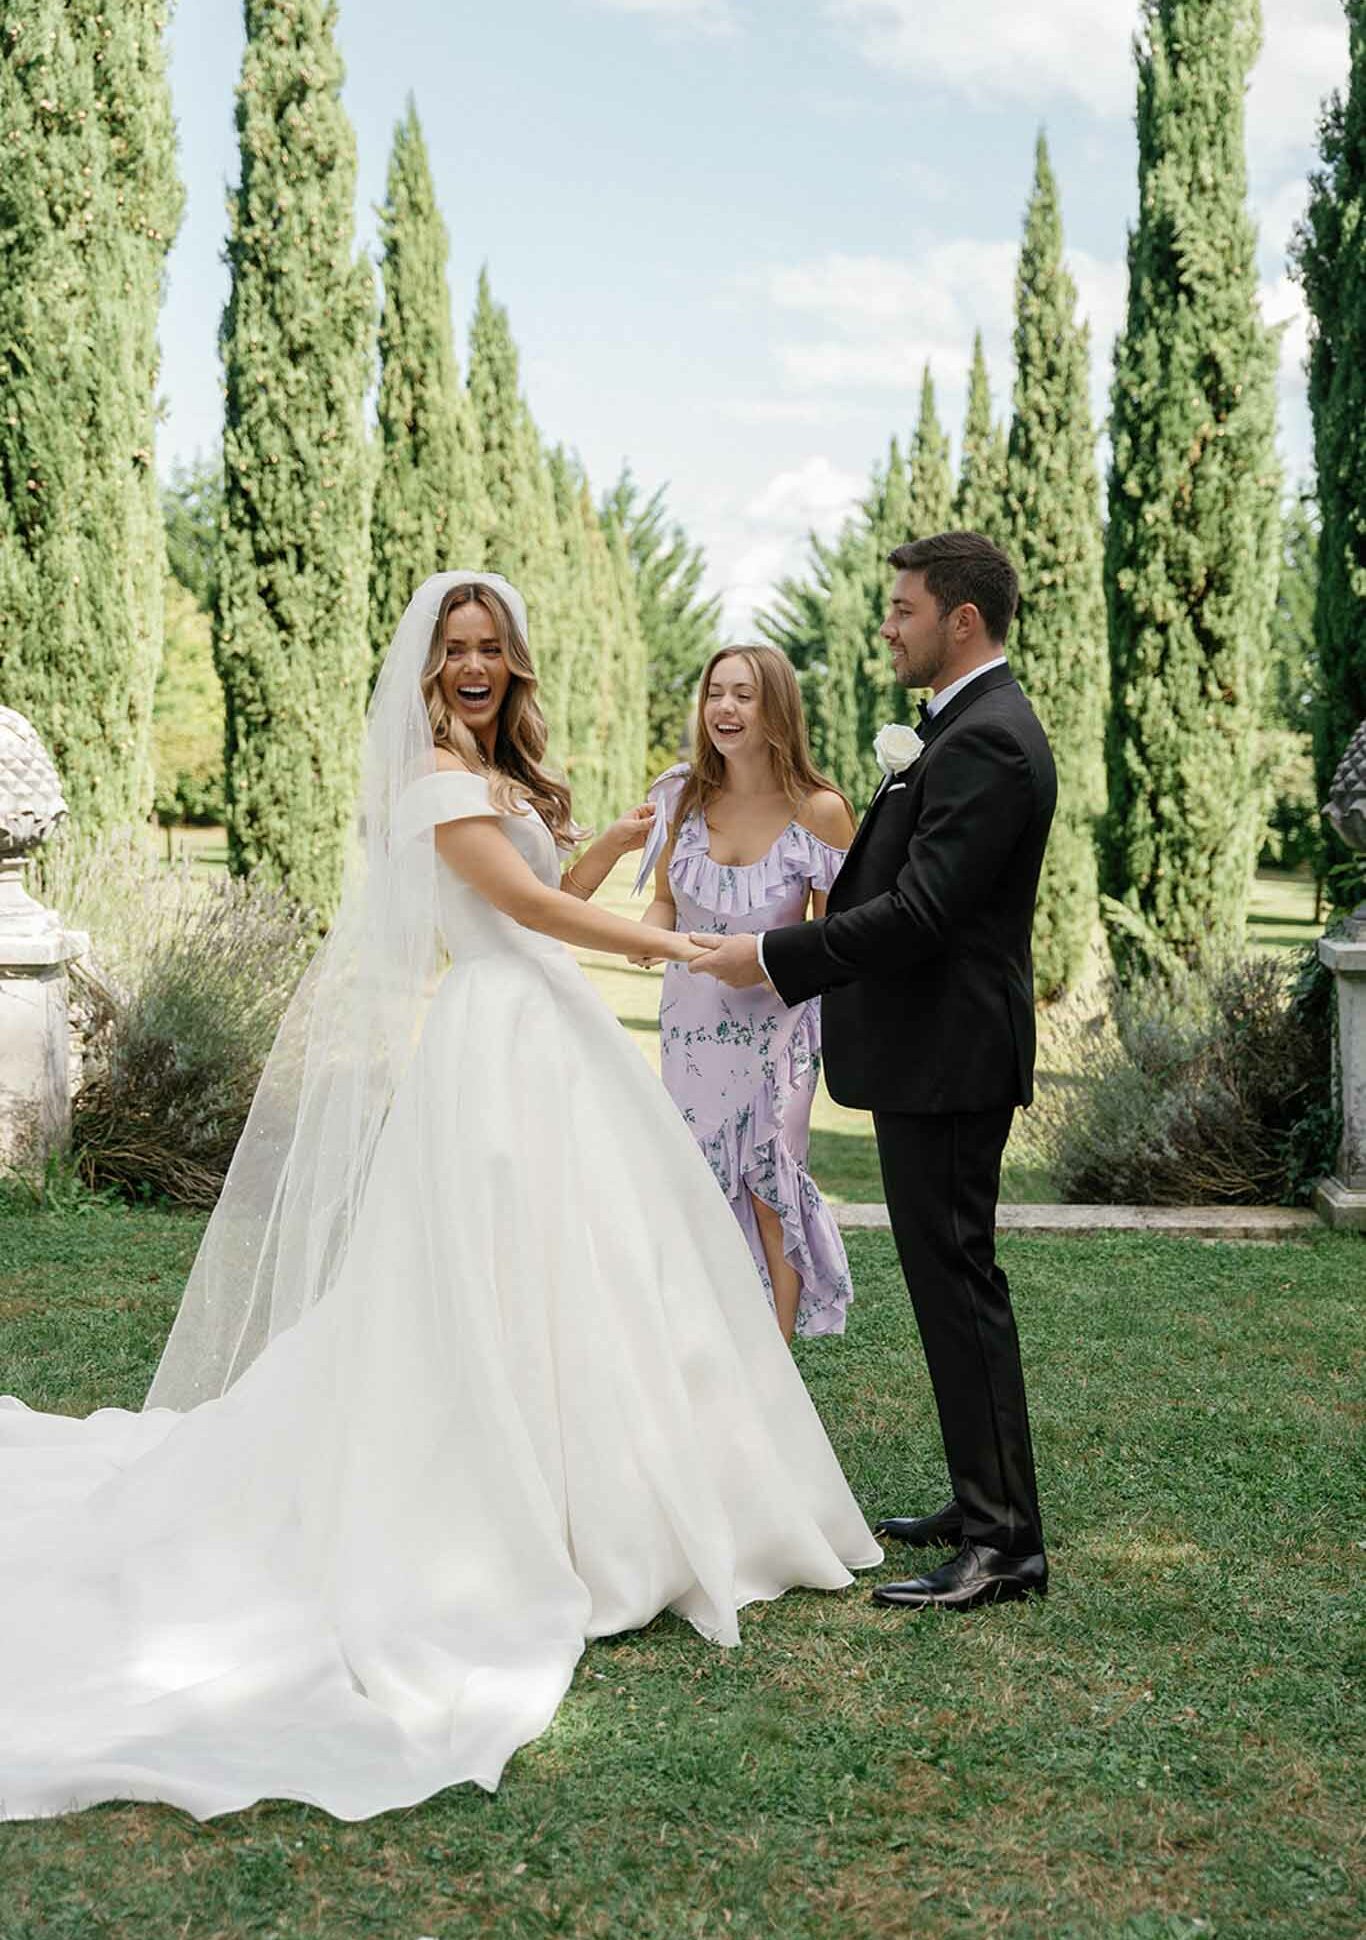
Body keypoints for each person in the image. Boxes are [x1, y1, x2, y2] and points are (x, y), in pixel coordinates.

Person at [0, 572, 880, 1824]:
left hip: (555, 1032)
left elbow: (550, 885)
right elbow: (522, 906)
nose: (473, 665)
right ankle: (509, 1502)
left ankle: (633, 1492)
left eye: (490, 648)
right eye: (455, 649)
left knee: (606, 1265)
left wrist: (622, 856)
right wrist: (680, 946)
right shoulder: (431, 781)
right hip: (494, 1042)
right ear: (428, 670)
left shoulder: (505, 776)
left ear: (512, 663)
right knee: (490, 1270)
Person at [691, 533, 1057, 1613]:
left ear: (961, 620)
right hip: (927, 1054)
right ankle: (975, 1501)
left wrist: (769, 953)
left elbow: (925, 913)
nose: (887, 626)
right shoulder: (958, 729)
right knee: (946, 1282)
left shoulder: (988, 739)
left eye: (902, 609)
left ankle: (1004, 1545)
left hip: (951, 1055)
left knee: (959, 1283)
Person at [631, 645, 857, 1342]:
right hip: (692, 1027)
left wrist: (766, 965)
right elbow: (666, 903)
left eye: (744, 695)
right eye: (715, 694)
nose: (724, 709)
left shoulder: (820, 812)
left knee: (769, 1185)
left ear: (776, 709)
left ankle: (775, 1367)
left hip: (780, 1033)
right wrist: (648, 934)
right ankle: (706, 1348)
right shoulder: (682, 796)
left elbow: (842, 940)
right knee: (699, 1187)